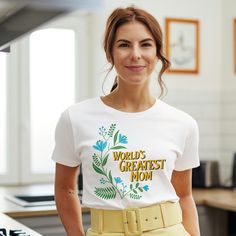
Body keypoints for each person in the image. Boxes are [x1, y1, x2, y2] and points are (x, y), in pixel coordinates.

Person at [52, 6, 200, 236]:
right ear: (109, 52)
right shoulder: (75, 118)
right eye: (124, 44)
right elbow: (65, 189)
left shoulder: (183, 123)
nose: (135, 54)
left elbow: (184, 195)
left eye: (145, 44)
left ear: (157, 52)